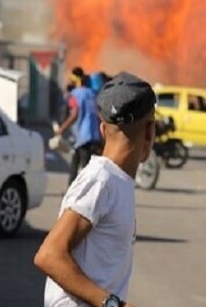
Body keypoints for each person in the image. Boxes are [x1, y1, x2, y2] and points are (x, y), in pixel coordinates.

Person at [35, 72, 156, 307]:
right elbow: (49, 255)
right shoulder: (101, 180)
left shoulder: (115, 180)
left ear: (102, 130)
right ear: (149, 130)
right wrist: (112, 304)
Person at [55, 69, 103, 184]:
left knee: (83, 168)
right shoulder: (92, 93)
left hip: (83, 137)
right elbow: (99, 115)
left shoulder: (75, 94)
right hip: (94, 136)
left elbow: (74, 114)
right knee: (78, 164)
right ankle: (72, 190)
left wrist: (61, 129)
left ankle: (79, 192)